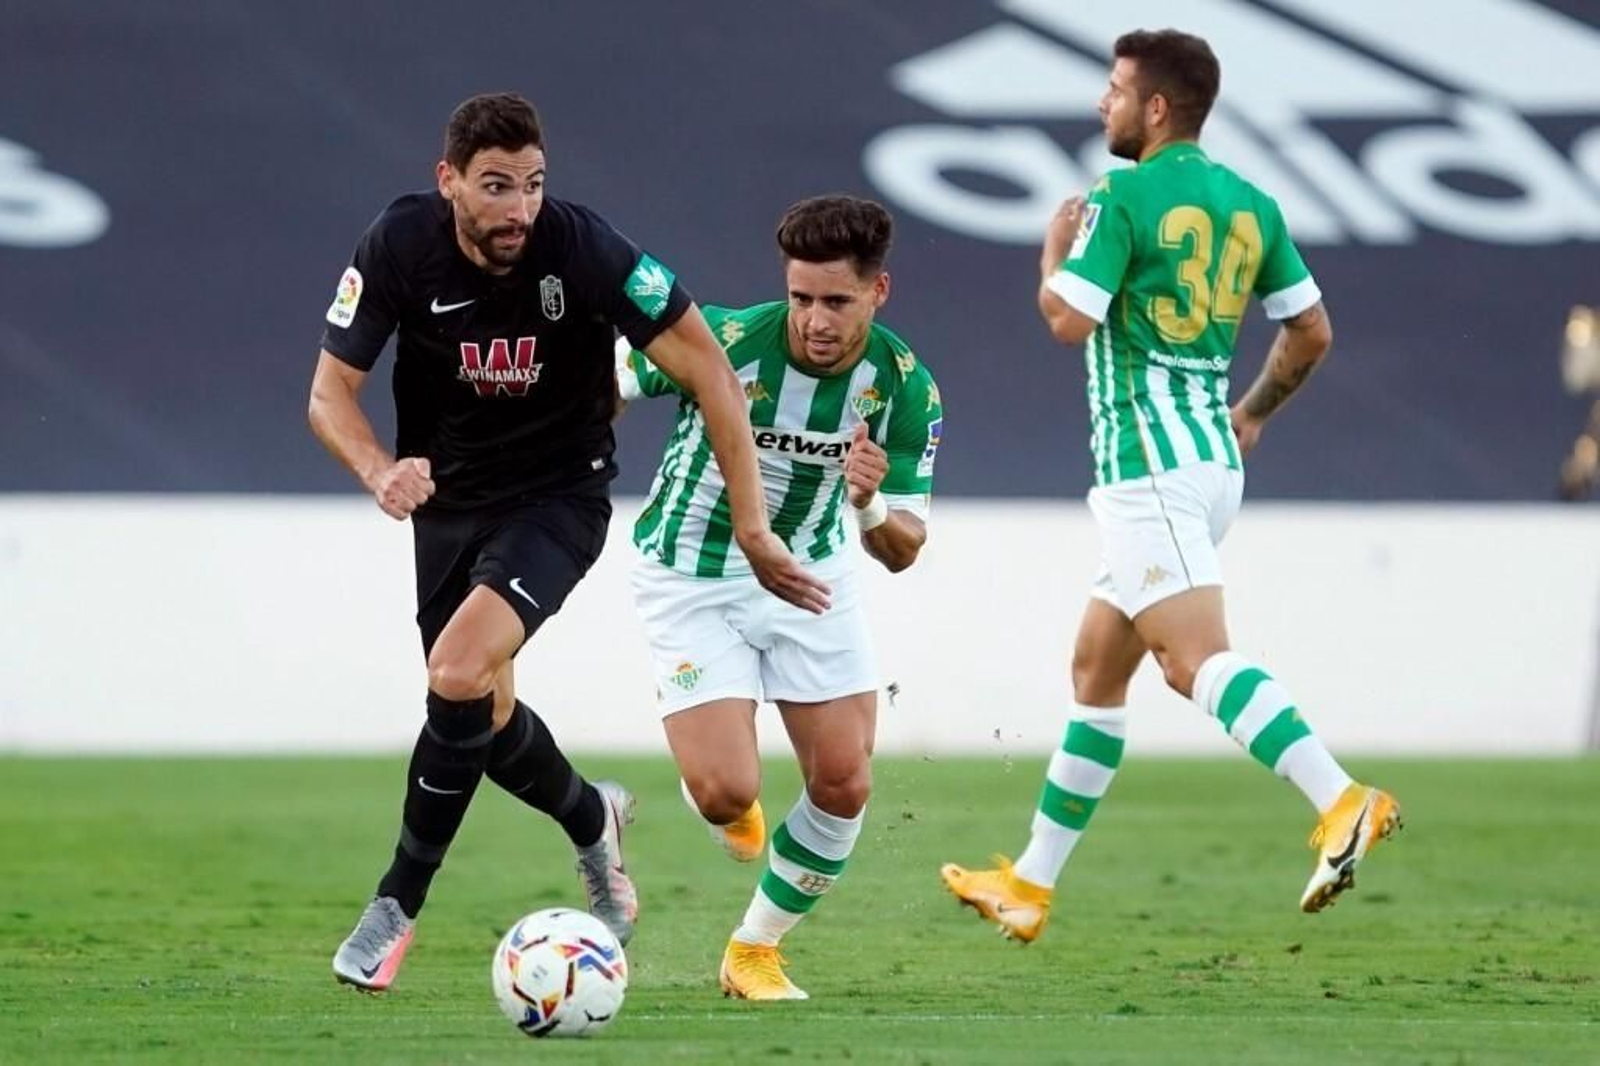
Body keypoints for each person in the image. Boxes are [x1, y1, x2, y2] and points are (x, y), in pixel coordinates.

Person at [309, 92, 828, 991]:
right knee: (481, 713)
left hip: (558, 498)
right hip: (448, 503)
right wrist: (378, 469)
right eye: (497, 186)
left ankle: (396, 906)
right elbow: (329, 394)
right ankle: (593, 818)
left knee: (456, 673)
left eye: (534, 184)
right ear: (448, 181)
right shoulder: (397, 244)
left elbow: (710, 370)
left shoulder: (585, 249)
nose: (520, 208)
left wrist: (752, 526)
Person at [940, 30, 1401, 942]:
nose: (1101, 104)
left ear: (1155, 108)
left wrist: (1052, 252)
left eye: (1114, 90)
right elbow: (1311, 330)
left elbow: (1068, 320)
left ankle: (1342, 797)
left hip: (1148, 467)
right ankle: (1029, 884)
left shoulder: (1120, 197)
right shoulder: (1252, 204)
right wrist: (1253, 411)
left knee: (1192, 662)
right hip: (1209, 462)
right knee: (1096, 668)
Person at [615, 195, 942, 999]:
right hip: (692, 573)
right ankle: (727, 804)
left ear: (878, 291)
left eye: (837, 301)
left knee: (845, 782)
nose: (815, 321)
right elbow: (610, 381)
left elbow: (903, 550)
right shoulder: (725, 341)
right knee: (727, 791)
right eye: (801, 298)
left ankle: (753, 950)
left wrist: (869, 504)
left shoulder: (905, 388)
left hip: (810, 577)